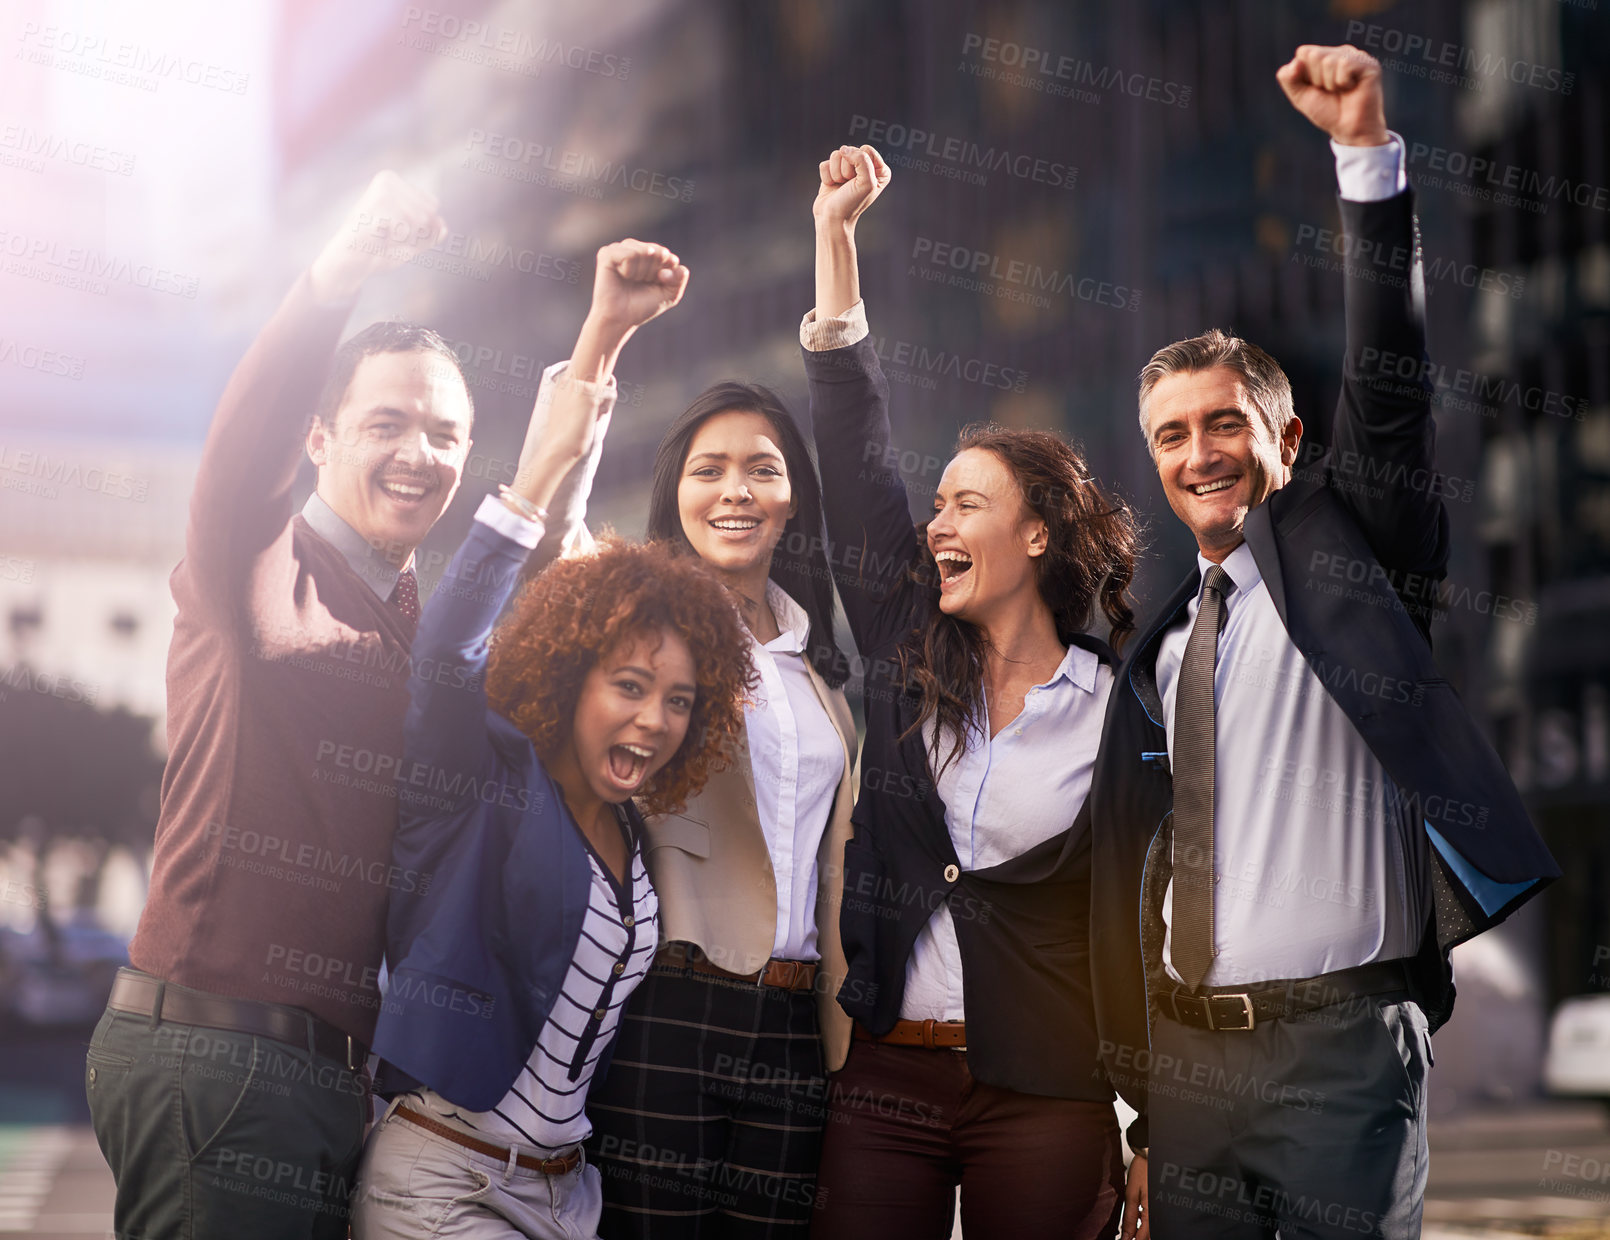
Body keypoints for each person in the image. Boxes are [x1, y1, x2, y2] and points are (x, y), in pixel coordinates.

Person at [83, 171, 613, 1239]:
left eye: (446, 435)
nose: (420, 454)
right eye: (386, 423)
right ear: (319, 439)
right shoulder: (257, 567)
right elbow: (238, 459)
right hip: (220, 1053)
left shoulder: (423, 632)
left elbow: (537, 607)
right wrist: (337, 273)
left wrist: (593, 382)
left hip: (330, 1078)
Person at [1088, 44, 1561, 1239]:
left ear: (1284, 436)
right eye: (1168, 436)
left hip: (1340, 1056)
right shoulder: (1165, 647)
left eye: (1222, 423)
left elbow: (1390, 389)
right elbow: (1142, 878)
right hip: (1188, 1071)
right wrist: (1142, 1113)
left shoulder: (1359, 566)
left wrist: (1362, 154)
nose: (1197, 453)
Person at [800, 143, 1143, 1240]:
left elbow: (1155, 925)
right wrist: (836, 242)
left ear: (1036, 533)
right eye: (935, 503)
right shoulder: (907, 651)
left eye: (966, 506)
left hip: (1048, 1092)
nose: (934, 525)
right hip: (888, 1080)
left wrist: (1160, 1130)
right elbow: (855, 464)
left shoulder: (1118, 708)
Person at [584, 349, 857, 1233]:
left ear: (793, 500)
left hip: (794, 1025)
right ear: (678, 493)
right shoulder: (637, 634)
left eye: (762, 470)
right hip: (669, 1005)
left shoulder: (818, 666)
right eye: (710, 470)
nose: (735, 491)